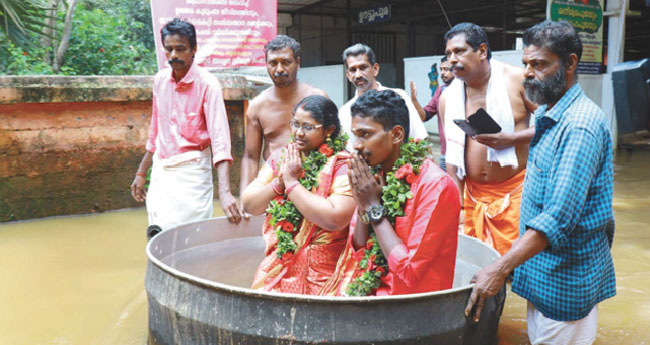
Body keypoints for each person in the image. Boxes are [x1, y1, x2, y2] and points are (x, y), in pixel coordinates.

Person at [465, 21, 615, 345]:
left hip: (566, 282)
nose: (529, 73)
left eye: (540, 64)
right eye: (526, 64)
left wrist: (499, 269)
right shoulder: (550, 112)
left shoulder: (580, 128)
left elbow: (557, 218)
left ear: (571, 64)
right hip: (543, 276)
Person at [321, 90, 460, 296]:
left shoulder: (436, 186)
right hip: (370, 294)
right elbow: (358, 251)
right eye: (355, 135)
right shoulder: (374, 176)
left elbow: (409, 271)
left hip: (412, 306)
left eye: (366, 134)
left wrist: (374, 208)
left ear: (396, 135)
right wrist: (362, 204)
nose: (357, 146)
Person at [130, 18, 242, 229]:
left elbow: (220, 141)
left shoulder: (208, 85)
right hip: (162, 169)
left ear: (194, 49)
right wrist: (141, 172)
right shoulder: (160, 80)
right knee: (157, 231)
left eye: (180, 49)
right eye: (169, 49)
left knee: (188, 236)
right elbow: (156, 130)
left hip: (192, 171)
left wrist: (225, 192)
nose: (174, 55)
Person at [242, 95, 355, 295]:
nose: (299, 133)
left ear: (329, 130)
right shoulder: (283, 157)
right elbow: (249, 204)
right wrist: (279, 183)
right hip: (280, 261)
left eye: (308, 127)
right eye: (295, 124)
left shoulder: (342, 165)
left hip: (324, 270)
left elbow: (335, 218)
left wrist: (292, 184)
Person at [439, 22, 536, 255]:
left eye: (459, 51)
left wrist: (511, 138)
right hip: (471, 198)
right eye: (448, 54)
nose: (452, 59)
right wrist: (459, 208)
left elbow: (553, 123)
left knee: (518, 269)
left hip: (517, 194)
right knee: (476, 267)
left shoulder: (517, 80)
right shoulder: (447, 98)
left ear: (482, 51)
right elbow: (451, 160)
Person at [240, 35, 327, 213]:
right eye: (273, 63)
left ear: (298, 62)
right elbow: (250, 156)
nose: (279, 69)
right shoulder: (257, 106)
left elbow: (332, 145)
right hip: (274, 186)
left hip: (315, 185)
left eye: (286, 62)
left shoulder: (318, 98)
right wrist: (246, 196)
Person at [339, 43, 428, 152]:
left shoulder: (399, 97)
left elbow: (420, 140)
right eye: (353, 70)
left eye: (363, 67)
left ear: (375, 69)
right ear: (348, 75)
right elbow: (352, 153)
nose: (358, 75)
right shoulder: (344, 112)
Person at [410, 56, 455, 171]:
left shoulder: (467, 89)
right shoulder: (440, 91)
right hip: (445, 154)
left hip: (464, 154)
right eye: (441, 69)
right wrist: (414, 100)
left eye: (447, 69)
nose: (443, 73)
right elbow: (424, 116)